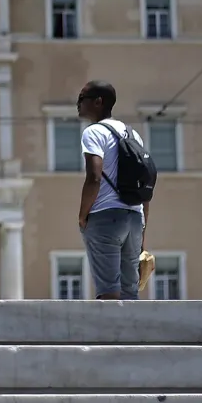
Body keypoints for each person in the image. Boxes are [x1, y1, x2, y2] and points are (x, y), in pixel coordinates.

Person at [76, 80, 153, 300]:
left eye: (82, 99)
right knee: (130, 293)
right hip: (134, 217)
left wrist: (83, 216)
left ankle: (110, 336)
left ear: (98, 102)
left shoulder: (93, 132)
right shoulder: (132, 135)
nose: (78, 104)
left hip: (105, 217)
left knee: (108, 292)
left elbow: (94, 177)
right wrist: (142, 226)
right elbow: (145, 185)